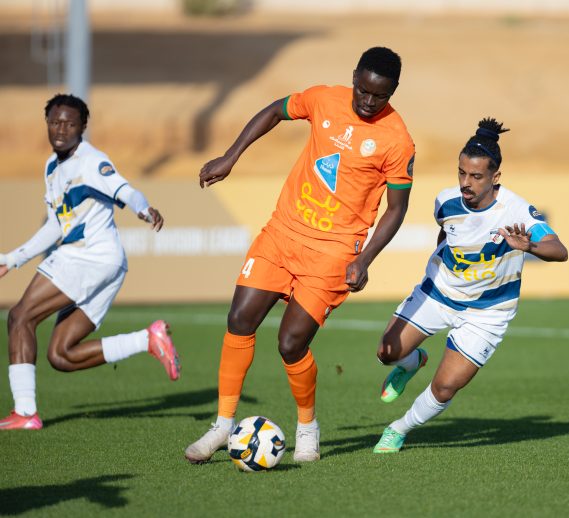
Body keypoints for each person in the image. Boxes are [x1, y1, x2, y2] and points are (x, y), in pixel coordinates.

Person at [185, 47, 415, 463]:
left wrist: (364, 260)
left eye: (379, 95)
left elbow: (396, 209)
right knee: (239, 319)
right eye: (362, 90)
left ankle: (307, 427)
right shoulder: (323, 98)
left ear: (393, 90)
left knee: (290, 344)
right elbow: (274, 111)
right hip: (282, 233)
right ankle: (222, 425)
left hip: (333, 251)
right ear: (354, 77)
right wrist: (231, 157)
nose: (368, 101)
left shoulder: (397, 140)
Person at [372, 117, 568, 453]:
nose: (466, 182)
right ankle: (411, 362)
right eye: (461, 173)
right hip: (439, 293)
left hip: (488, 312)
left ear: (495, 177)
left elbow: (560, 251)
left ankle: (399, 429)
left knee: (445, 387)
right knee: (386, 353)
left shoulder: (517, 211)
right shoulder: (445, 201)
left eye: (476, 176)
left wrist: (530, 246)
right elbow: (445, 233)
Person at [0, 94, 181, 430]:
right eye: (55, 122)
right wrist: (13, 258)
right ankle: (148, 339)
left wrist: (144, 209)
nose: (61, 129)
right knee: (61, 355)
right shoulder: (52, 167)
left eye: (69, 123)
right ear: (47, 124)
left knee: (20, 316)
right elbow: (56, 224)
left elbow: (125, 191)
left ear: (82, 127)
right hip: (105, 263)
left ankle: (25, 413)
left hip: (88, 256)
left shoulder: (92, 161)